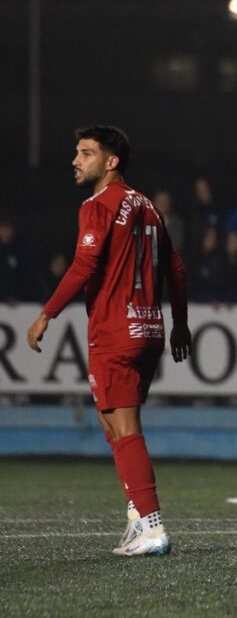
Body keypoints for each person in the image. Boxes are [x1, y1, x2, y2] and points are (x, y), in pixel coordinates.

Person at [26, 126, 191, 555]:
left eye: (86, 153)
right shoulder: (149, 206)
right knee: (112, 424)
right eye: (76, 152)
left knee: (124, 427)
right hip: (149, 330)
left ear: (111, 162)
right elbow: (175, 267)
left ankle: (152, 526)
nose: (76, 160)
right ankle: (138, 518)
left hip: (115, 331)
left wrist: (46, 314)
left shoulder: (99, 205)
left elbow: (84, 265)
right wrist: (180, 325)